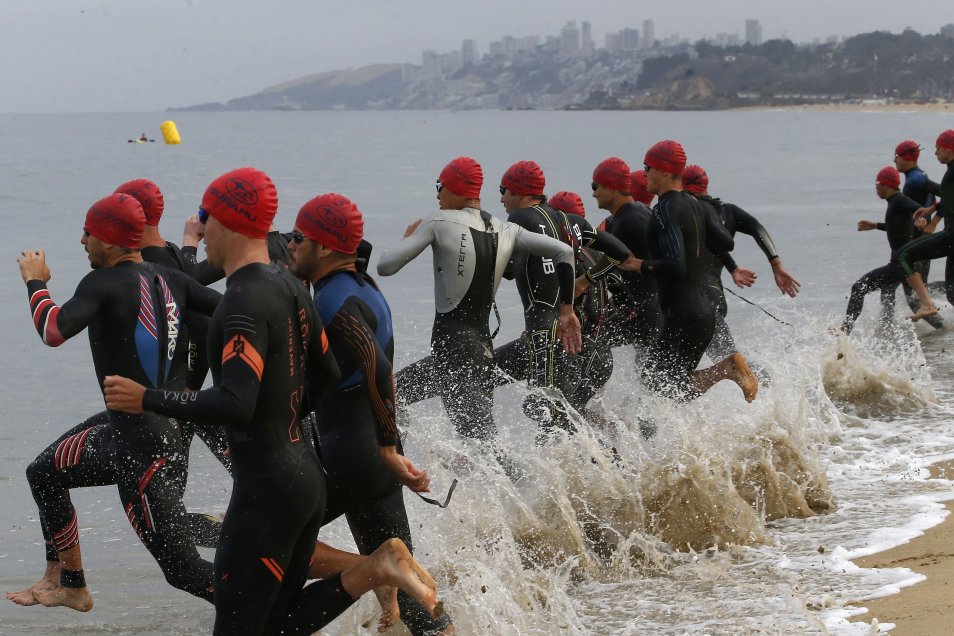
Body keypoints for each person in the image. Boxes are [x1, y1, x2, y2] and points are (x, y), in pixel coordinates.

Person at [104, 168, 440, 635]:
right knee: (278, 624)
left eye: (206, 218)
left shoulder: (242, 299)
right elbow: (326, 370)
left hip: (268, 487)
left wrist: (150, 398)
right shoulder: (291, 289)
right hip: (302, 476)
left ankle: (378, 568)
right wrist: (289, 419)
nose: (203, 230)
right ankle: (373, 569)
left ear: (227, 221)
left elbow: (235, 403)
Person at [8, 193, 222, 612]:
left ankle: (268, 603)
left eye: (88, 232)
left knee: (183, 568)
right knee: (42, 473)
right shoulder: (171, 278)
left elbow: (53, 330)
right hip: (159, 434)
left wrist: (36, 282)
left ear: (108, 240)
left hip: (139, 452)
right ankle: (68, 583)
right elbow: (234, 311)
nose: (82, 239)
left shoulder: (101, 283)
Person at [288, 193, 455, 636]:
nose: (292, 245)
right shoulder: (360, 286)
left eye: (299, 238)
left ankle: (372, 577)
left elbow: (378, 367)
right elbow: (382, 372)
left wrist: (385, 448)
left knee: (269, 543)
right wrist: (392, 449)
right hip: (369, 458)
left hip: (355, 457)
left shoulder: (333, 303)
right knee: (411, 584)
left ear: (323, 248)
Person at [380, 157, 580, 474]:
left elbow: (385, 267)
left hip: (453, 353)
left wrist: (409, 239)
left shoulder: (438, 222)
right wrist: (566, 309)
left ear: (455, 188)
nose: (437, 194)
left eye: (439, 186)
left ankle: (534, 492)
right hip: (481, 352)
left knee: (483, 448)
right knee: (396, 397)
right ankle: (457, 465)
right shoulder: (506, 229)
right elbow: (564, 252)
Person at [493, 160, 634, 432]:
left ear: (520, 193)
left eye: (504, 190)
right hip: (583, 345)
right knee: (562, 423)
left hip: (545, 340)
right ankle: (616, 465)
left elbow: (509, 270)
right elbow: (620, 253)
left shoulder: (521, 219)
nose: (501, 198)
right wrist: (586, 280)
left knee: (549, 417)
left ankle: (612, 468)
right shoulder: (570, 222)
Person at [635, 141, 758, 402]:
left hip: (682, 315)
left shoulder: (665, 209)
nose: (644, 173)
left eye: (647, 167)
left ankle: (727, 369)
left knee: (656, 384)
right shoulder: (697, 205)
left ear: (664, 171)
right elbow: (726, 242)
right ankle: (725, 372)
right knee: (671, 388)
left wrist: (639, 265)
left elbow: (675, 264)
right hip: (703, 314)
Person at [679, 164, 804, 361]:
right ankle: (774, 385)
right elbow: (758, 229)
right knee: (724, 362)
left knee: (728, 363)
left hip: (700, 300)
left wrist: (733, 268)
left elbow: (706, 240)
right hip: (715, 296)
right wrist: (776, 265)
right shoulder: (728, 211)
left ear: (682, 187)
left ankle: (770, 384)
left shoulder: (690, 213)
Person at [840, 167, 927, 334]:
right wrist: (876, 226)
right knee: (892, 295)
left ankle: (846, 329)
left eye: (877, 184)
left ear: (886, 185)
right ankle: (888, 330)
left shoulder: (899, 200)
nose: (876, 188)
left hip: (900, 265)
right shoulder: (895, 202)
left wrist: (920, 218)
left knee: (859, 287)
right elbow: (898, 229)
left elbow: (918, 208)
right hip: (905, 263)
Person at [591, 159, 663, 354]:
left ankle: (727, 369)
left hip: (644, 311)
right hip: (658, 307)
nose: (593, 193)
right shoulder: (641, 211)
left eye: (595, 186)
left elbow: (613, 259)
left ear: (612, 188)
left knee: (588, 340)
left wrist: (582, 282)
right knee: (658, 379)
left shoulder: (625, 222)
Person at [897, 130, 954, 320]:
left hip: (951, 235)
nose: (935, 152)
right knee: (952, 295)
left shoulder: (926, 177)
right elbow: (948, 197)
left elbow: (944, 194)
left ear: (948, 149)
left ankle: (928, 305)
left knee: (903, 256)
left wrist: (934, 222)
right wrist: (932, 209)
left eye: (938, 148)